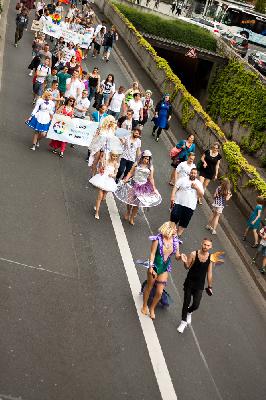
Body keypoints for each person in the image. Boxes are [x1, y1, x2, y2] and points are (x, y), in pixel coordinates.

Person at [141, 222, 181, 320]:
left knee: (159, 292)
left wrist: (181, 257)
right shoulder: (157, 240)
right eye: (175, 228)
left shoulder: (175, 241)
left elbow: (177, 256)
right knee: (149, 287)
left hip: (164, 268)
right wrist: (150, 267)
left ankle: (152, 308)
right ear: (168, 229)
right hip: (154, 267)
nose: (176, 230)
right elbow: (152, 254)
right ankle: (144, 305)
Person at [115, 150, 161, 226]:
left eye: (148, 159)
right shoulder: (137, 164)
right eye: (145, 158)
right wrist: (126, 179)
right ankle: (128, 212)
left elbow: (151, 178)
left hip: (142, 187)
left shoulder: (151, 168)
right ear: (142, 158)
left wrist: (154, 188)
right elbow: (131, 172)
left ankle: (132, 217)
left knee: (137, 203)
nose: (146, 160)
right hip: (133, 183)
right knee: (130, 200)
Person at [177, 238, 213, 333]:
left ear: (211, 247)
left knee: (196, 304)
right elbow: (187, 267)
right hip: (190, 282)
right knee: (186, 302)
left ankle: (189, 311)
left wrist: (210, 286)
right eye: (205, 244)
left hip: (200, 285)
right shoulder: (193, 254)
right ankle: (183, 322)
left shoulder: (210, 258)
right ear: (202, 244)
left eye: (208, 245)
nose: (206, 246)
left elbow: (209, 273)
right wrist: (185, 261)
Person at [170, 168, 204, 236]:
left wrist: (196, 188)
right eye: (192, 173)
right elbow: (175, 187)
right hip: (178, 202)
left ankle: (177, 237)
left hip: (190, 206)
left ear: (196, 175)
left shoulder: (199, 183)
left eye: (194, 173)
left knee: (183, 223)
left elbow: (201, 195)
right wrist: (172, 196)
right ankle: (170, 234)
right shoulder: (183, 179)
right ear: (189, 173)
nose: (193, 174)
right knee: (173, 219)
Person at [89, 151, 120, 219]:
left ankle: (96, 205)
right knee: (100, 196)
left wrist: (112, 175)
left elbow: (115, 174)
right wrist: (101, 169)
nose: (114, 157)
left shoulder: (116, 164)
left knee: (103, 198)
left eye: (116, 156)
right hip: (102, 179)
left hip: (109, 181)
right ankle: (97, 212)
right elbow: (101, 169)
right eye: (113, 156)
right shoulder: (106, 161)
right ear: (111, 155)